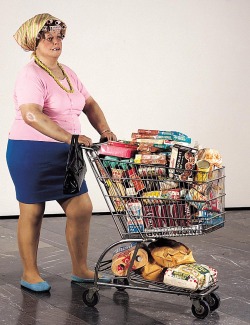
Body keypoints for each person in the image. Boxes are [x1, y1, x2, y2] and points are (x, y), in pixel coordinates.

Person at [6, 13, 117, 292]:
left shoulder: (68, 72)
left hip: (68, 152)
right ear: (35, 42)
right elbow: (31, 115)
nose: (56, 42)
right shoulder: (30, 74)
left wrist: (104, 129)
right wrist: (72, 137)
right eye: (49, 38)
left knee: (81, 207)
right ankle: (30, 273)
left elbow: (89, 103)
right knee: (32, 211)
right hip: (32, 152)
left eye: (59, 37)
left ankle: (80, 269)